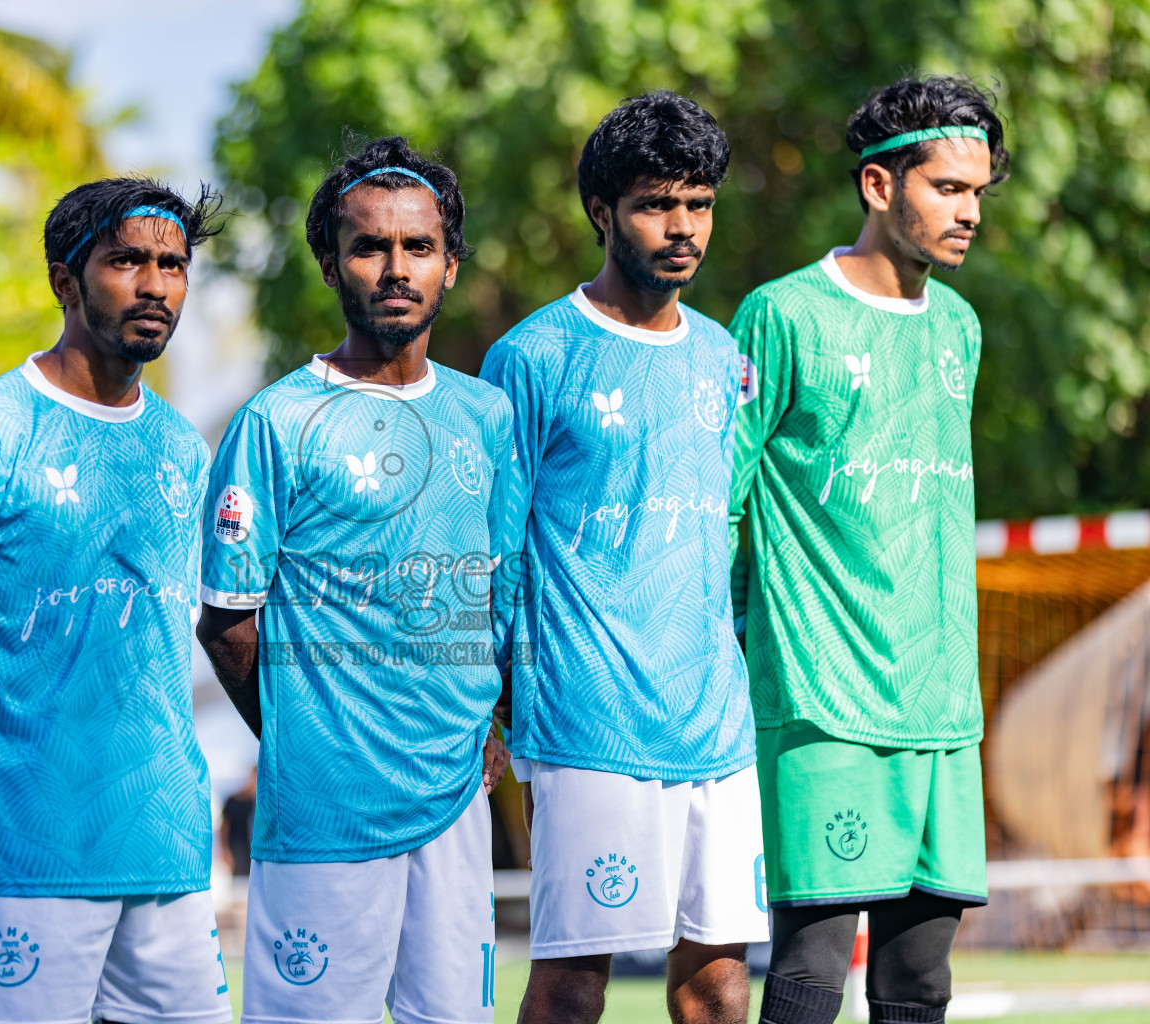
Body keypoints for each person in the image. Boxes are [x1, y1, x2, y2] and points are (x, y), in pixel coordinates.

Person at [0, 177, 232, 1024]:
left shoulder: (183, 449)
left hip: (166, 851)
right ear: (64, 281)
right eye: (127, 262)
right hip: (24, 857)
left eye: (173, 266)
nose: (155, 286)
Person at [196, 136, 513, 1024]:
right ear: (332, 266)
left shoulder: (487, 415)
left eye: (419, 247)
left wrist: (494, 717)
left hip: (455, 805)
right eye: (370, 247)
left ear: (451, 264)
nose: (396, 268)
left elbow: (497, 593)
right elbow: (226, 622)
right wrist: (304, 739)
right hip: (322, 815)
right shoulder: (277, 422)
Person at [728, 76, 1009, 1024]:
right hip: (823, 696)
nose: (969, 213)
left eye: (978, 192)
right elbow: (723, 501)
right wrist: (740, 651)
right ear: (879, 186)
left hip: (944, 705)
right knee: (811, 971)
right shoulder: (782, 315)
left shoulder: (961, 327)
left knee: (921, 979)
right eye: (948, 189)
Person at [481, 93, 766, 1024]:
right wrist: (490, 703)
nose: (683, 228)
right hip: (586, 717)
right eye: (656, 204)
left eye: (700, 204)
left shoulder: (723, 356)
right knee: (574, 985)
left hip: (714, 721)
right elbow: (494, 549)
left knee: (720, 984)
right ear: (602, 212)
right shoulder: (532, 357)